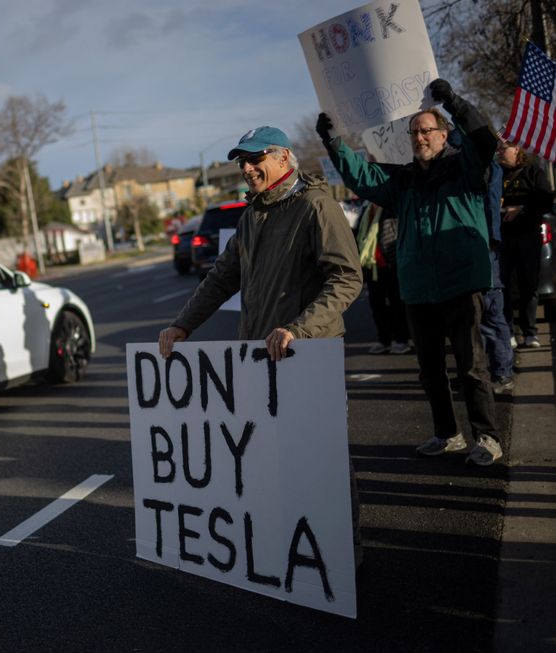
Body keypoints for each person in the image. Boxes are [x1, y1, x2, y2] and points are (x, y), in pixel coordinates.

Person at [157, 126, 363, 562]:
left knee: (321, 458)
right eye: (243, 162)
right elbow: (220, 279)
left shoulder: (315, 206)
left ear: (284, 157)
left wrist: (300, 328)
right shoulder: (251, 216)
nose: (248, 169)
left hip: (307, 354)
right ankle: (287, 543)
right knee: (269, 454)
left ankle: (344, 552)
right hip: (258, 358)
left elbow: (346, 277)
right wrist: (182, 326)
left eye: (256, 159)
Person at [317, 78, 504, 466]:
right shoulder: (403, 179)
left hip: (460, 283)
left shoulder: (465, 169)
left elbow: (484, 139)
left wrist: (453, 101)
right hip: (418, 289)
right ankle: (448, 434)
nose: (419, 137)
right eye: (414, 131)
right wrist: (332, 140)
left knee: (471, 368)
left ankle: (487, 437)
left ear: (443, 134)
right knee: (431, 370)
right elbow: (361, 176)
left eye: (426, 130)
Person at [497, 139, 554, 349]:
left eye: (504, 148)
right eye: (498, 149)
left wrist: (521, 209)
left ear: (517, 148)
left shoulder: (533, 172)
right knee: (503, 285)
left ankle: (530, 332)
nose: (500, 152)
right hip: (503, 238)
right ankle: (508, 332)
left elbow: (546, 200)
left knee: (529, 285)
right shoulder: (496, 174)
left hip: (528, 237)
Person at [356, 200, 411, 355]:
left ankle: (401, 340)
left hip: (391, 264)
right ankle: (383, 339)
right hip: (372, 265)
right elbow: (359, 232)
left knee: (396, 303)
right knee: (377, 305)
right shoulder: (366, 210)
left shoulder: (390, 207)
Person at [480, 159, 515, 392]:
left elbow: (490, 204)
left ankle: (502, 371)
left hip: (484, 245)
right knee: (483, 314)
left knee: (491, 311)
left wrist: (491, 239)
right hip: (479, 243)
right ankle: (493, 371)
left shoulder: (488, 166)